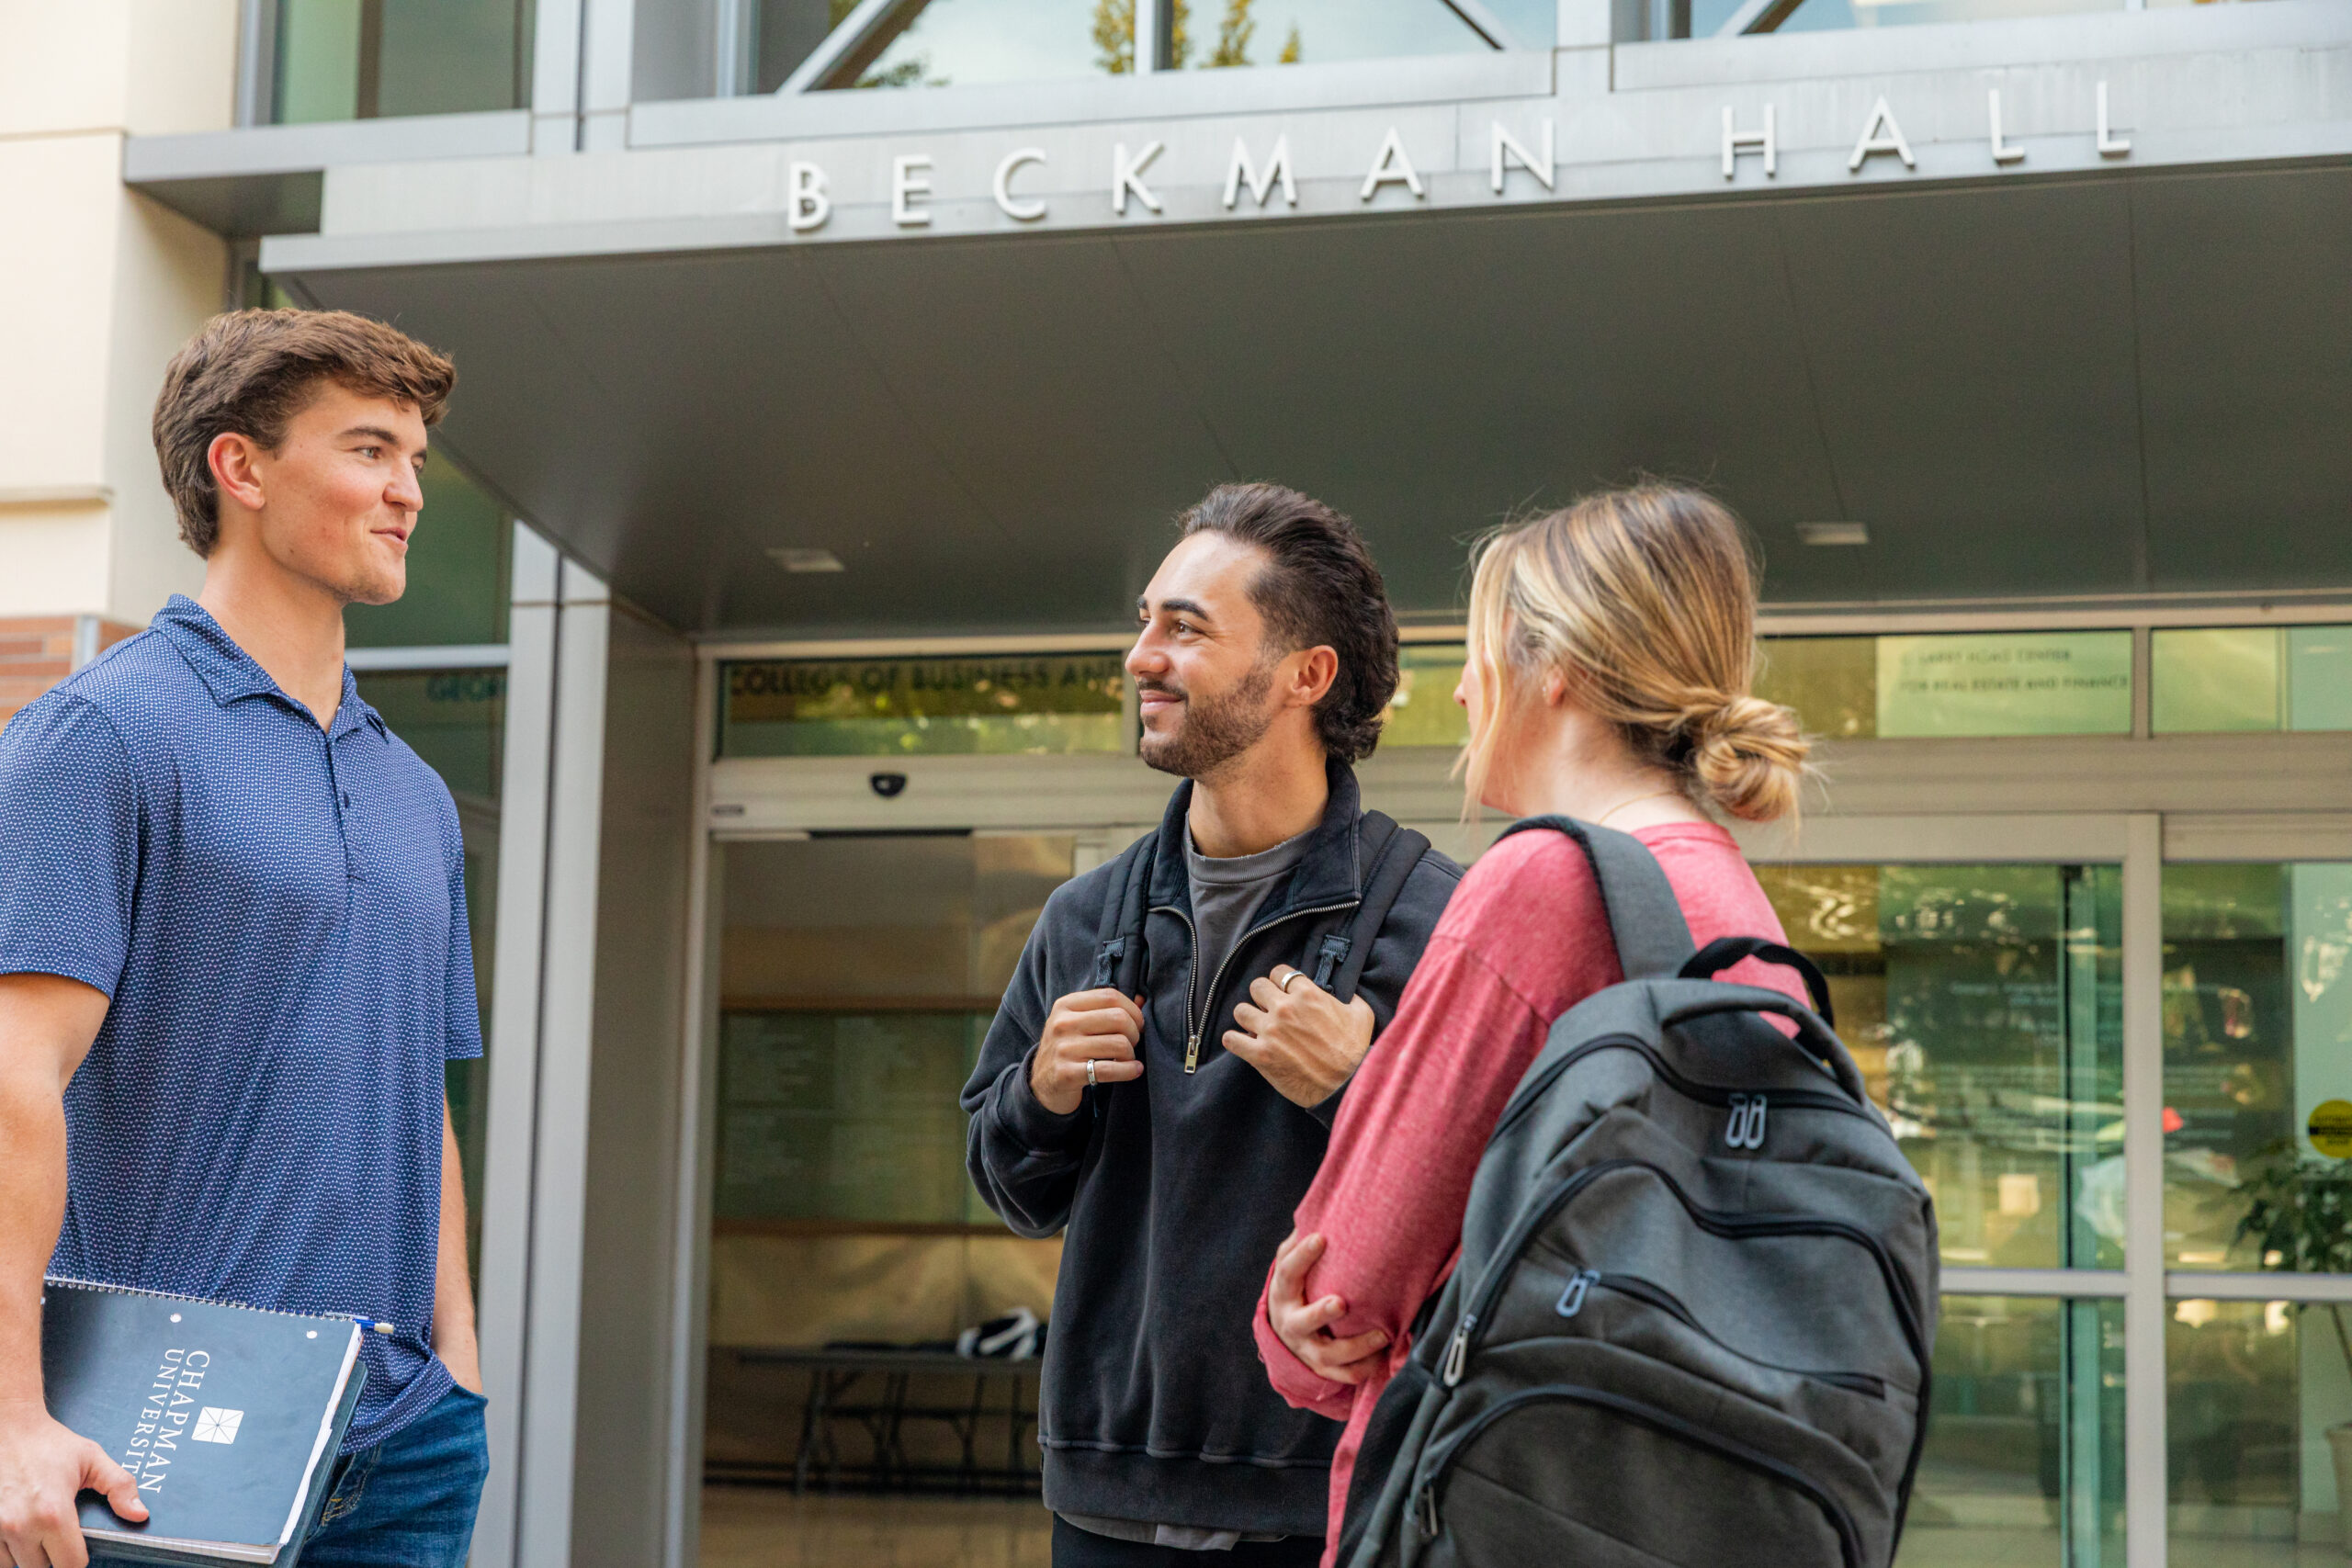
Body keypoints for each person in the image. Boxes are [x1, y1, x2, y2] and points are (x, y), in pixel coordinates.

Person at [0, 310, 487, 1568]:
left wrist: (461, 1367)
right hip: (160, 1436)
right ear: (242, 466)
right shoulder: (103, 736)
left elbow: (416, 1093)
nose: (407, 490)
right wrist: (10, 1415)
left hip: (402, 1433)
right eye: (372, 449)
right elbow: (14, 1080)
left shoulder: (415, 793)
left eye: (418, 459)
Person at [1253, 484, 1816, 1562]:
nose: (1463, 693)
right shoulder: (1730, 894)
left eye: (1477, 653)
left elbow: (1340, 1292)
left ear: (1553, 671)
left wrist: (1288, 1329)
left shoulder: (1544, 884)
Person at [964, 483, 1461, 1565]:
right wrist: (1040, 1090)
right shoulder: (1084, 917)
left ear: (1304, 675)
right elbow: (1010, 1188)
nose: (1142, 655)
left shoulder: (1436, 921)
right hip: (1101, 1489)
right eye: (1144, 622)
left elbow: (1499, 1216)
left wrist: (1361, 1087)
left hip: (1324, 1495)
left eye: (1184, 628)